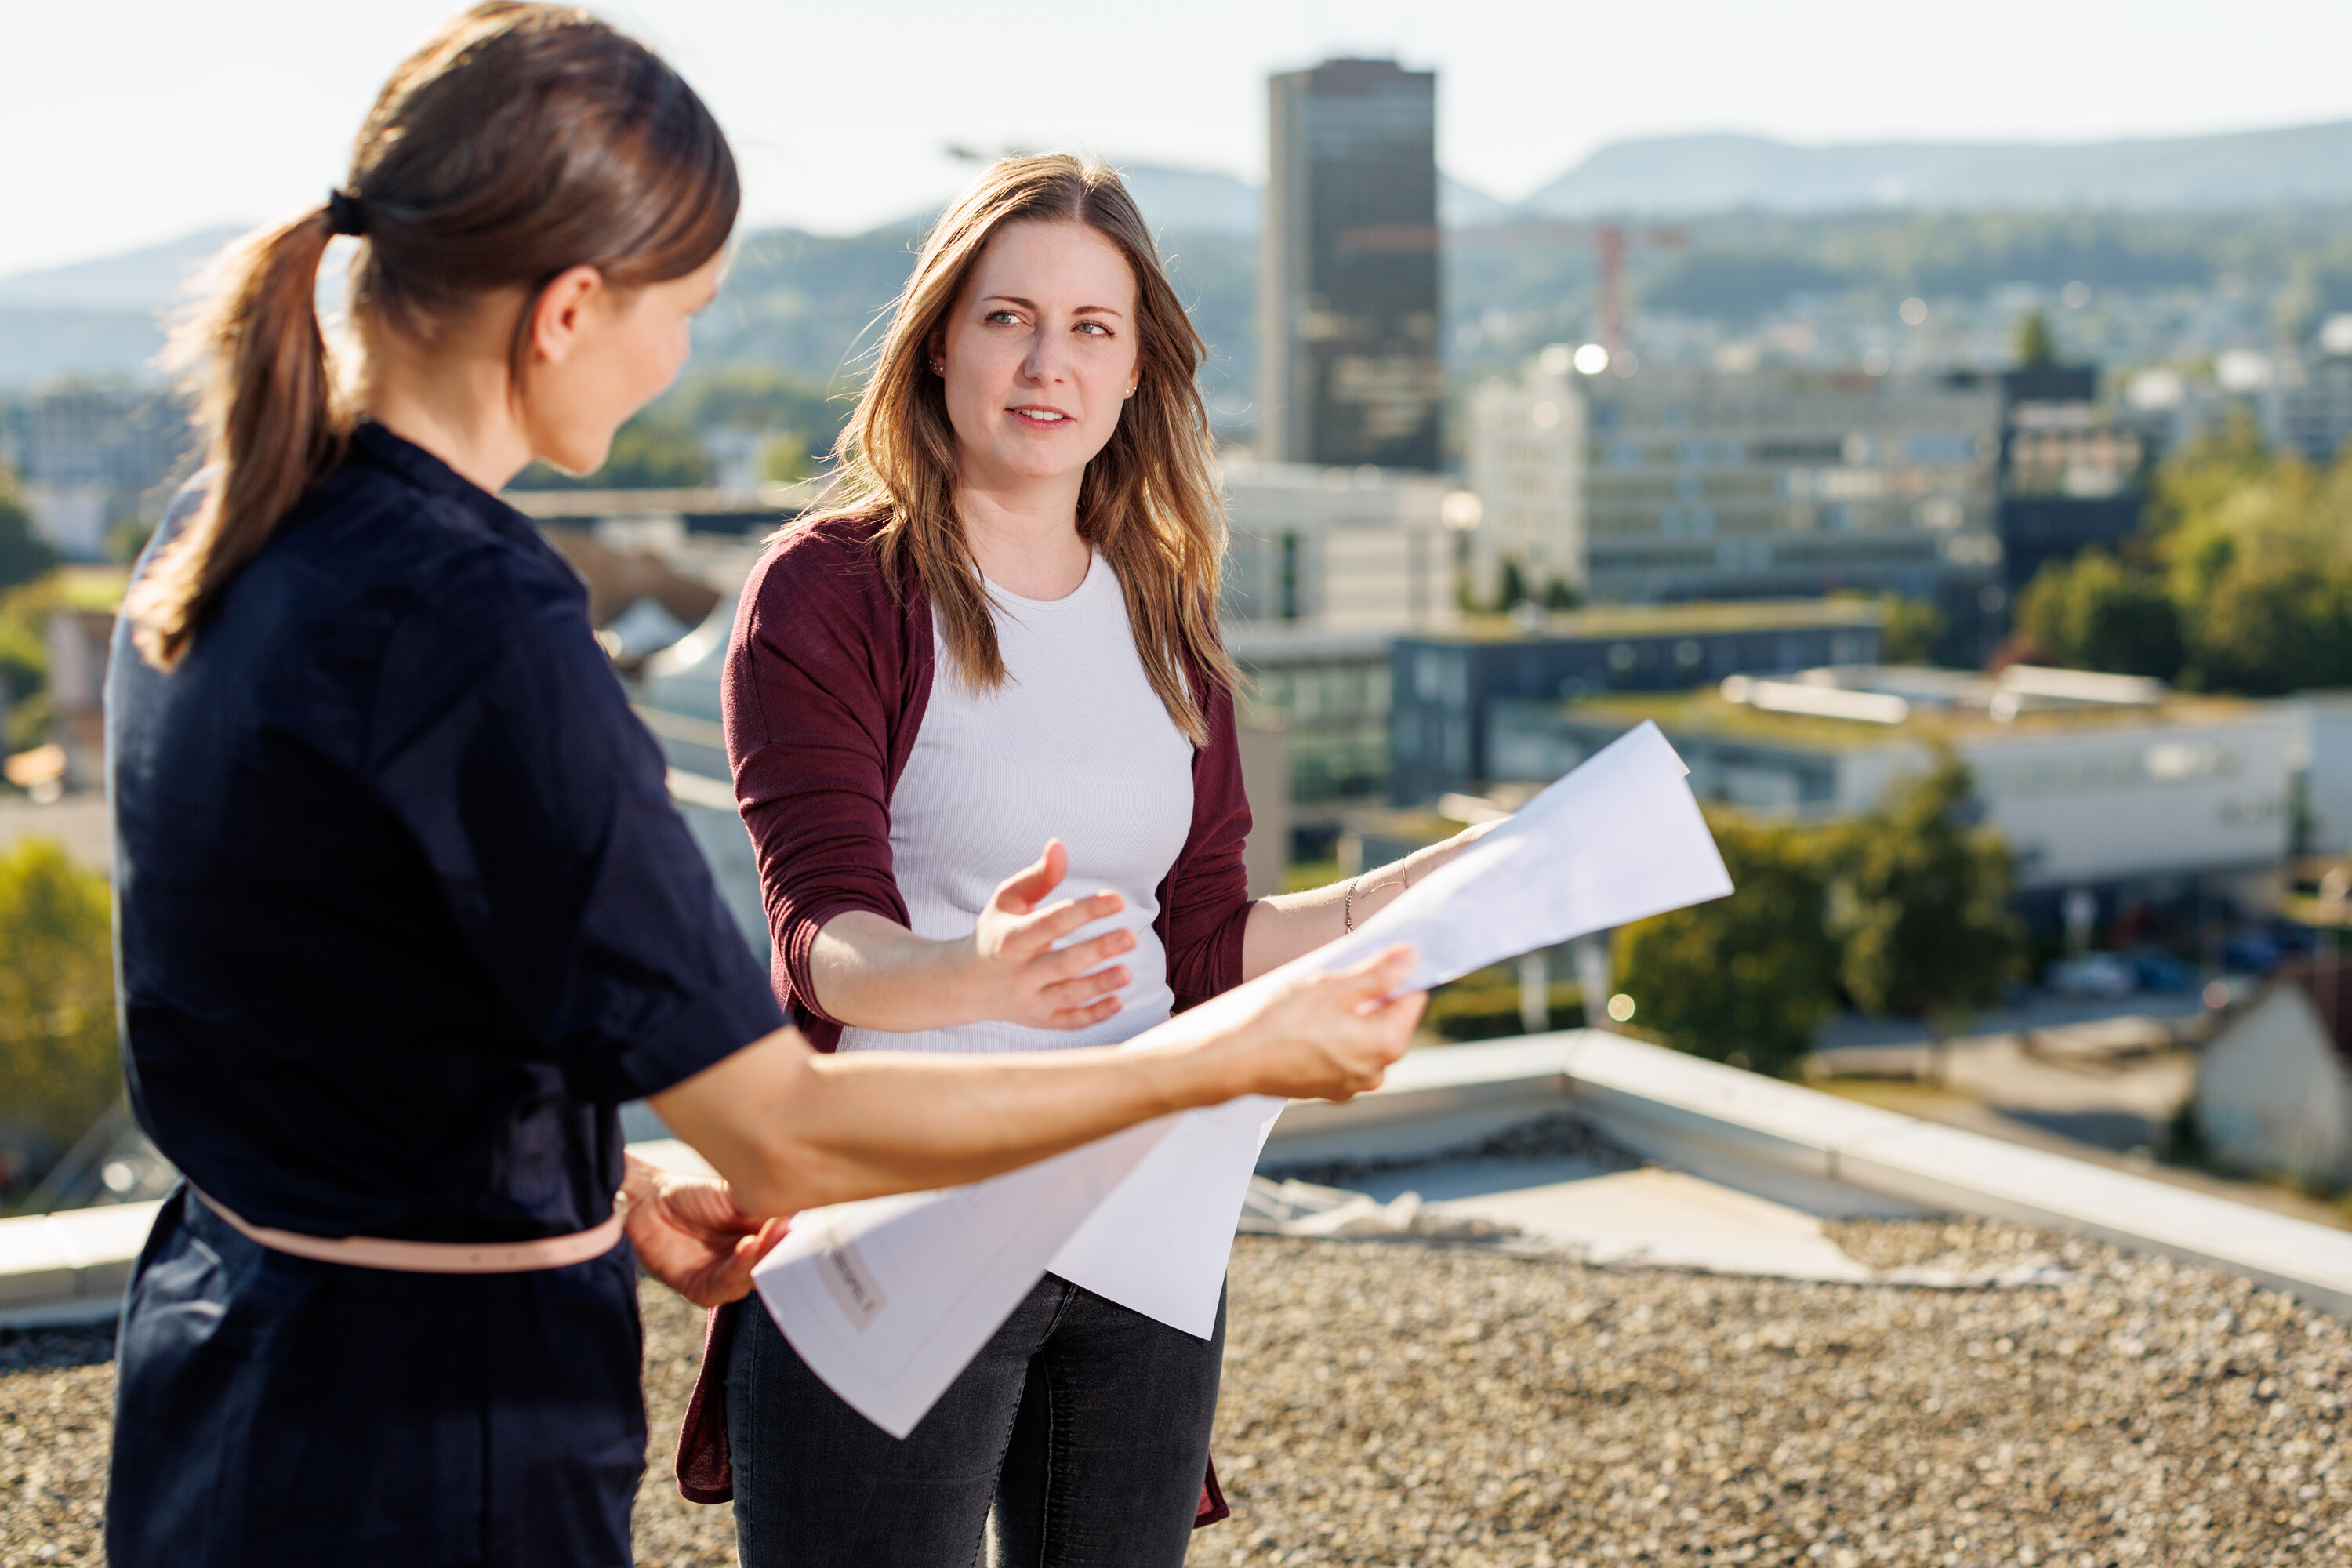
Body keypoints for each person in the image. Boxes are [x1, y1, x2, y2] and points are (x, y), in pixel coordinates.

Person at [101, 12, 1425, 1566]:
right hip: (421, 1430)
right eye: (685, 309)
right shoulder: (484, 623)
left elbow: (340, 1010)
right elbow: (781, 1124)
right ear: (571, 309)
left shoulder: (225, 534)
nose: (677, 358)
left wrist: (604, 1176)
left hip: (232, 1360)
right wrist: (1214, 1066)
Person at [717, 154, 1490, 1568]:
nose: (1046, 365)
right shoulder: (828, 591)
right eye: (1007, 318)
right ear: (938, 340)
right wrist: (973, 973)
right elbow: (820, 938)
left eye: (1091, 328)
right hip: (903, 1216)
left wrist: (1413, 896)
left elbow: (1200, 940)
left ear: (1138, 370)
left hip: (1143, 1223)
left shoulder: (1163, 608)